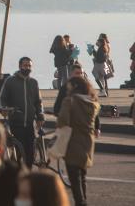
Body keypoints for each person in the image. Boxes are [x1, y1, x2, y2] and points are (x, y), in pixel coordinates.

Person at [57, 76, 100, 206]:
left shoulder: (69, 101)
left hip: (72, 143)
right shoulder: (93, 103)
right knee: (82, 176)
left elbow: (63, 121)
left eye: (69, 86)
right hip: (87, 143)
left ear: (74, 87)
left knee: (74, 179)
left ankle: (80, 203)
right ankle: (83, 200)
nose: (67, 88)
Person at [0, 57, 45, 167]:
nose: (27, 68)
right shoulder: (11, 81)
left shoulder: (34, 83)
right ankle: (17, 177)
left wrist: (40, 115)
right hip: (16, 122)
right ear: (20, 66)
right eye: (25, 65)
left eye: (29, 66)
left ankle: (27, 176)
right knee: (19, 152)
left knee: (30, 154)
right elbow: (2, 98)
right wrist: (4, 108)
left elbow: (38, 101)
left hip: (30, 123)